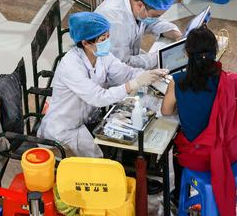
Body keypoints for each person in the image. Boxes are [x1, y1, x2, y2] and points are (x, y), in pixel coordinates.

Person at [37, 12, 168, 157]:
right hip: (65, 129)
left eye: (107, 36)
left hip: (88, 120)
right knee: (99, 164)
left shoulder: (101, 54)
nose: (107, 42)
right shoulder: (71, 65)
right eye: (102, 39)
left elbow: (125, 73)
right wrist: (134, 84)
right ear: (86, 43)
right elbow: (98, 97)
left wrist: (151, 76)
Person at [161, 26, 237, 216]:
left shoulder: (178, 81)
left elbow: (166, 111)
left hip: (197, 157)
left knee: (177, 146)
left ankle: (177, 198)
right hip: (228, 153)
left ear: (186, 53)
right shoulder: (230, 81)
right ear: (215, 52)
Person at [96, 0, 181, 69]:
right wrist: (158, 57)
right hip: (107, 69)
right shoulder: (115, 22)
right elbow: (121, 63)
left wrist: (176, 34)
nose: (156, 18)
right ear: (140, 5)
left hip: (128, 52)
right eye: (155, 15)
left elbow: (153, 22)